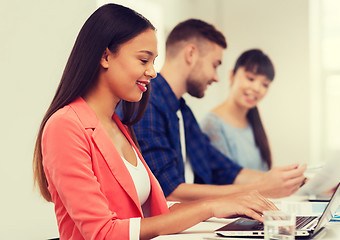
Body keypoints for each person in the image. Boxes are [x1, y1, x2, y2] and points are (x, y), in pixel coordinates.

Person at [33, 4, 277, 240]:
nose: (152, 71)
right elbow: (103, 233)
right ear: (105, 56)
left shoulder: (121, 125)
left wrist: (226, 205)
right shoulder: (64, 126)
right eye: (143, 60)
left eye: (153, 61)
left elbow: (156, 214)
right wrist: (210, 207)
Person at [131, 19, 306, 202]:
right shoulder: (147, 103)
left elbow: (224, 169)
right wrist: (260, 188)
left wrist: (293, 181)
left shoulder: (183, 112)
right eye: (215, 65)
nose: (216, 77)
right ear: (191, 54)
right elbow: (169, 191)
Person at [200, 49, 274, 171]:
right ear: (231, 76)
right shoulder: (211, 125)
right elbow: (225, 179)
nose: (256, 88)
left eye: (265, 84)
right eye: (250, 78)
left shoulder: (253, 122)